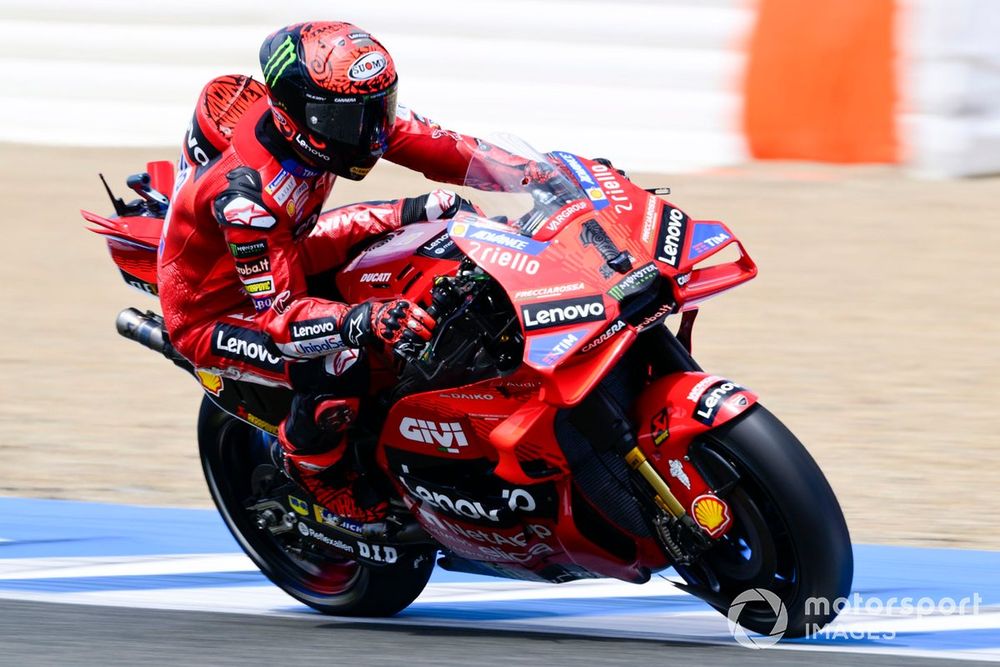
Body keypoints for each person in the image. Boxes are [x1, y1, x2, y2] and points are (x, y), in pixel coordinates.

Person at [158, 21, 543, 522]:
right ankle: (314, 469)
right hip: (219, 310)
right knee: (337, 360)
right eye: (352, 122)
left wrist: (539, 173)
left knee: (445, 214)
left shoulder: (341, 113)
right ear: (296, 116)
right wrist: (363, 319)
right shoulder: (248, 200)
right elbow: (282, 319)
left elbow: (443, 147)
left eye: (378, 110)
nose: (372, 134)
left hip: (292, 243)